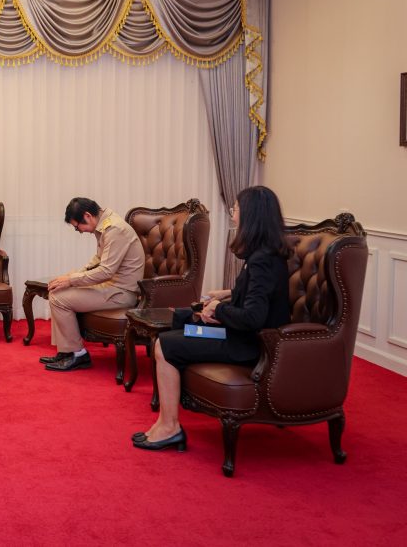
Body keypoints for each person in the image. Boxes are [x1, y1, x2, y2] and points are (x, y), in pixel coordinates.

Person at [133, 186, 291, 451]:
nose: (233, 214)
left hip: (245, 344)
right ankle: (166, 422)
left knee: (165, 344)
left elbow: (253, 317)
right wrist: (228, 295)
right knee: (182, 322)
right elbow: (259, 296)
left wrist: (218, 310)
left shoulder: (262, 259)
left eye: (236, 209)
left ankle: (169, 426)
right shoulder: (266, 253)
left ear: (251, 214)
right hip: (237, 335)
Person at [41, 197, 144, 372]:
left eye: (77, 227)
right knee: (57, 290)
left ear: (87, 216)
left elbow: (106, 271)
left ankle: (78, 354)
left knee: (59, 298)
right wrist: (71, 276)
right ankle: (66, 352)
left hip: (121, 293)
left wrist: (71, 280)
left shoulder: (114, 229)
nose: (79, 231)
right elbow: (98, 259)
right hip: (110, 287)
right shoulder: (105, 224)